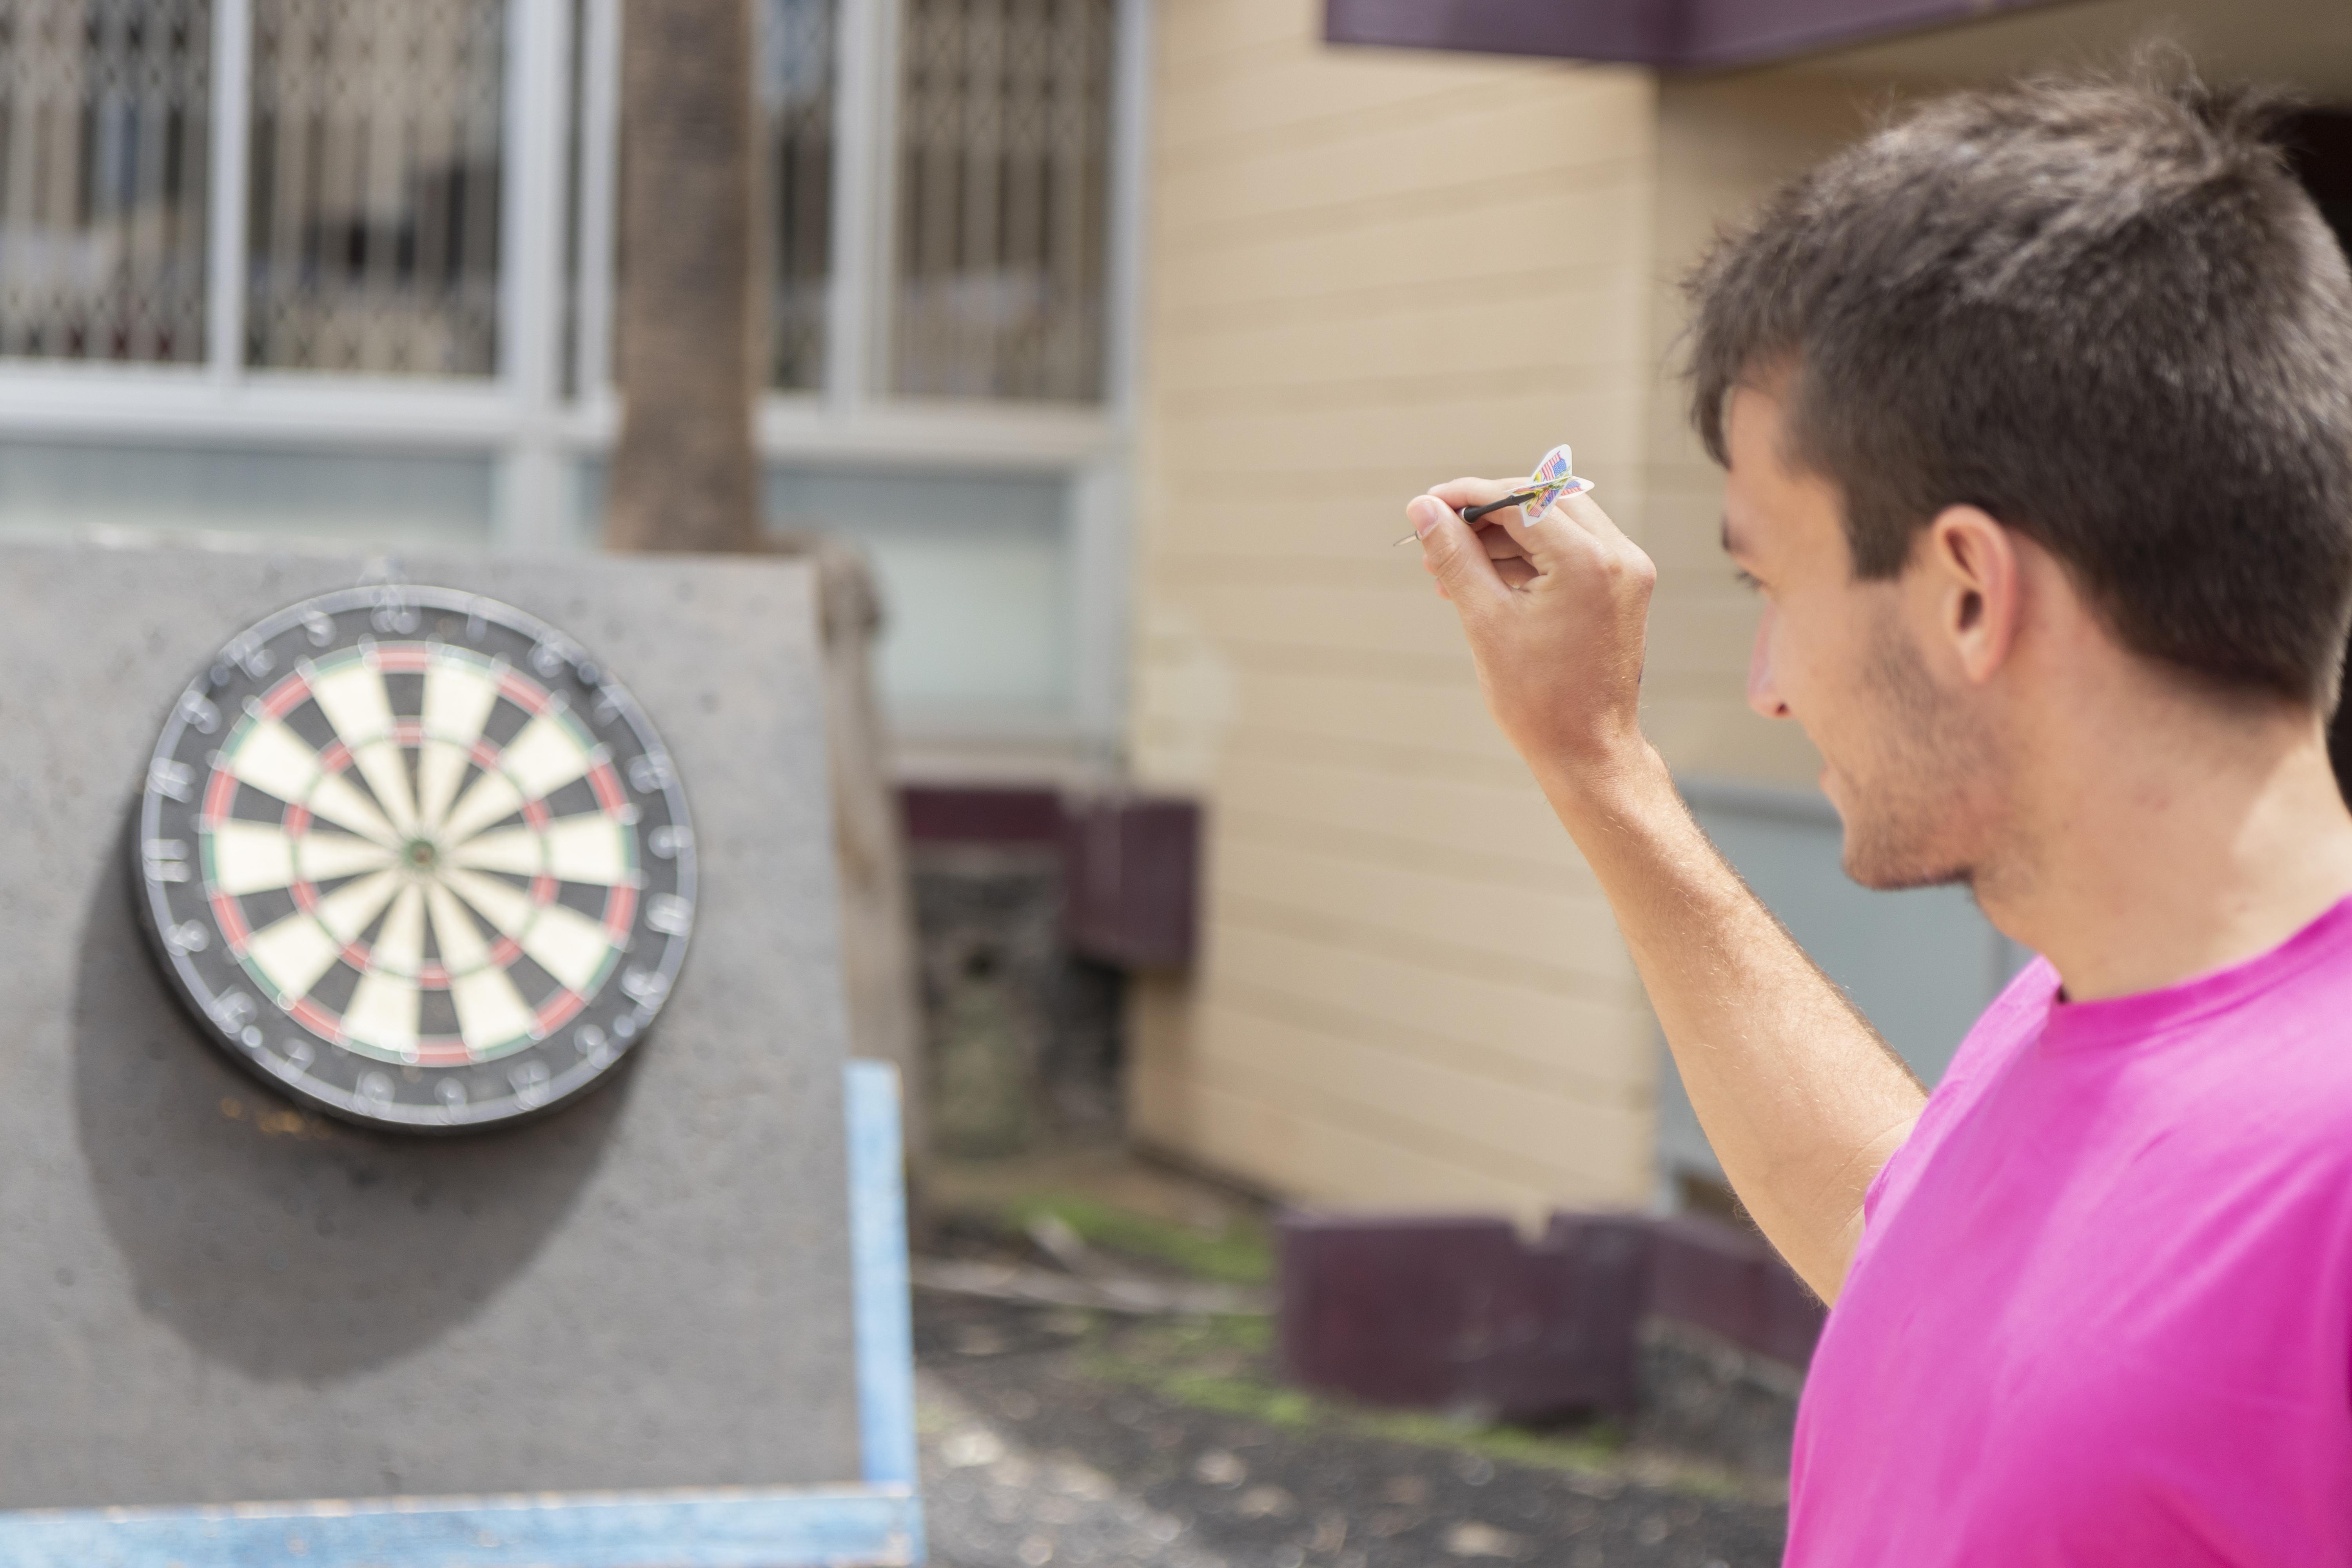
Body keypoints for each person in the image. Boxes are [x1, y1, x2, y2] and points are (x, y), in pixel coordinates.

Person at [1406, 67, 2352, 1563]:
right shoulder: (2079, 1004)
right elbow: (1914, 1257)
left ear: (1971, 593)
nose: (1771, 690)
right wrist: (1595, 760)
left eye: (1771, 586)